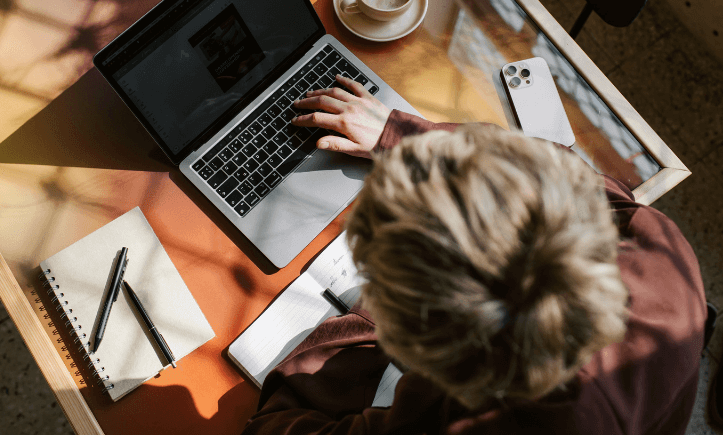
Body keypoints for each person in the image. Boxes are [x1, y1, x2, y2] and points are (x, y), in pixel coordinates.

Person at [241, 75, 707, 435]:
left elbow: (272, 429)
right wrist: (398, 133)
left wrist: (367, 319)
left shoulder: (479, 415)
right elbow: (545, 165)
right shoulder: (660, 246)